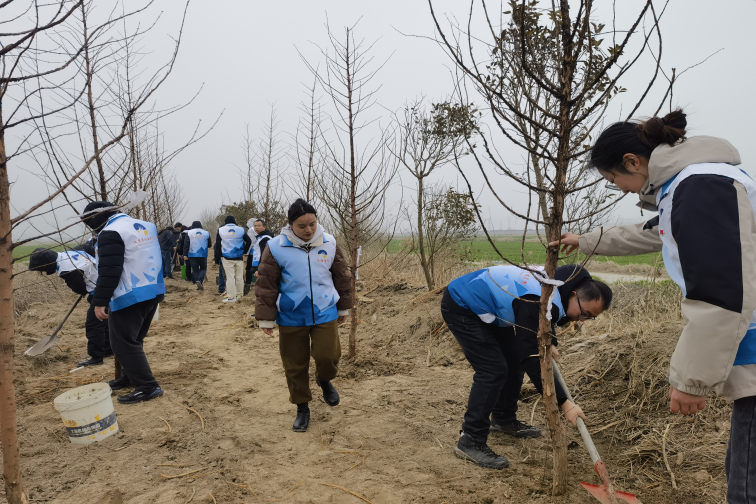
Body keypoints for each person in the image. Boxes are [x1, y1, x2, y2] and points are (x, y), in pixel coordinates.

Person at [550, 109, 755, 503]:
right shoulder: (694, 183)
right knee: (741, 468)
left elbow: (720, 289)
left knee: (747, 483)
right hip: (747, 337)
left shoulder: (702, 186)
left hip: (749, 333)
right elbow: (655, 231)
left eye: (614, 181)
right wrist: (588, 240)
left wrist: (691, 378)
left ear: (633, 162)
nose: (623, 190)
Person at [442, 264, 612, 470]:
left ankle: (503, 418)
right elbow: (531, 357)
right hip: (464, 303)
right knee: (493, 369)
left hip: (493, 307)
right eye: (584, 313)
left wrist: (552, 341)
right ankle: (470, 439)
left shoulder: (566, 280)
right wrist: (565, 403)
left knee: (512, 361)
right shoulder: (537, 300)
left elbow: (547, 317)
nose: (582, 319)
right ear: (574, 294)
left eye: (590, 317)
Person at [255, 199, 353, 432]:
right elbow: (267, 285)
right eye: (302, 226)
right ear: (290, 225)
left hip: (325, 311)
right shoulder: (276, 247)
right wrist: (266, 318)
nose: (309, 230)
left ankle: (324, 379)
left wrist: (344, 307)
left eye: (312, 224)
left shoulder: (329, 242)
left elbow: (342, 276)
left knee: (328, 356)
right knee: (295, 365)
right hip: (291, 315)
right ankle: (302, 407)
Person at [83, 201, 166, 404]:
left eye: (88, 222)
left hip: (129, 293)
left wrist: (99, 302)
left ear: (96, 218)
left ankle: (148, 386)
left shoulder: (110, 232)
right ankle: (130, 377)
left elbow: (110, 270)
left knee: (122, 342)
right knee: (134, 340)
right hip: (153, 288)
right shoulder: (146, 226)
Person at [28, 246, 112, 367]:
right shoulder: (70, 253)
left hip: (100, 289)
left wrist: (84, 291)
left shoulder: (67, 270)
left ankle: (96, 357)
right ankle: (108, 349)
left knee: (93, 324)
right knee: (103, 320)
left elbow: (80, 288)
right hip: (106, 283)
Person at [214, 215, 251, 303]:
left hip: (227, 257)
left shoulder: (221, 230)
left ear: (225, 222)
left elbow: (218, 244)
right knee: (239, 277)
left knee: (230, 277)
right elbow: (249, 240)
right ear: (234, 221)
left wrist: (220, 255)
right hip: (239, 256)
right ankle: (240, 294)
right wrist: (245, 251)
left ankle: (231, 297)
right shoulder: (241, 229)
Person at [182, 220, 212, 290]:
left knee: (195, 270)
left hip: (192, 254)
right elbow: (210, 244)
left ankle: (198, 284)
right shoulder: (206, 233)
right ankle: (200, 281)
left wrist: (185, 254)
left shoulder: (189, 232)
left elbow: (186, 244)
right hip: (203, 254)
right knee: (203, 268)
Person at [245, 218, 274, 287]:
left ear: (265, 227)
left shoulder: (265, 238)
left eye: (258, 226)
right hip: (260, 264)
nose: (256, 228)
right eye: (255, 226)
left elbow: (264, 254)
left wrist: (259, 268)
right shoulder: (260, 237)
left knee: (264, 285)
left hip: (263, 265)